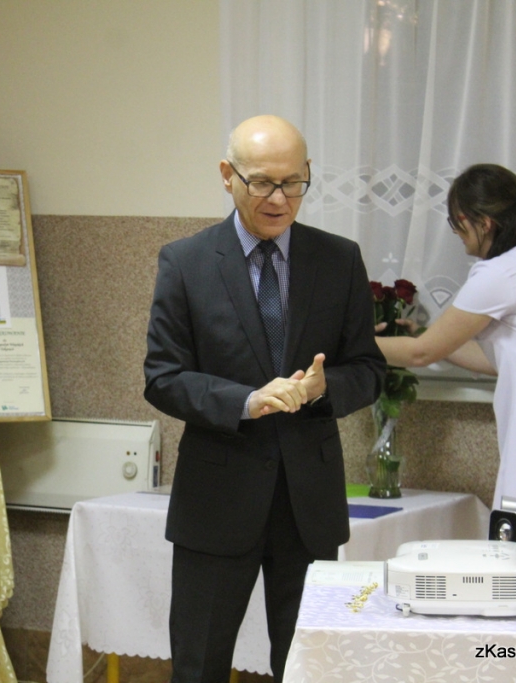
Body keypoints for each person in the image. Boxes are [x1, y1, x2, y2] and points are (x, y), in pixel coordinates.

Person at [144, 115, 385, 682]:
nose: (279, 199)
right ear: (227, 175)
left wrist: (325, 388)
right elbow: (163, 376)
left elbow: (368, 369)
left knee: (310, 668)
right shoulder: (187, 262)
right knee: (199, 667)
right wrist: (246, 401)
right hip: (217, 500)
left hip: (309, 505)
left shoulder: (339, 258)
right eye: (262, 183)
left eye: (293, 182)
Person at [376, 163, 516, 573]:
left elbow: (421, 355)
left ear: (482, 222)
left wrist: (350, 344)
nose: (457, 234)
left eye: (457, 223)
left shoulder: (502, 273)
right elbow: (497, 361)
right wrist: (427, 336)